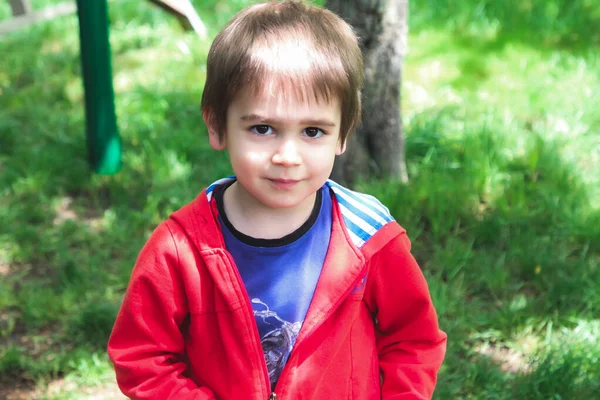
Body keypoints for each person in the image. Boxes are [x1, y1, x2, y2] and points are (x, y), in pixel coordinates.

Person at [107, 1, 447, 399]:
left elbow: (413, 339)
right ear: (217, 126)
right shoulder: (180, 249)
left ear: (343, 136)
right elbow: (142, 356)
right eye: (263, 128)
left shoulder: (369, 238)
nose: (288, 155)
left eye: (313, 131)